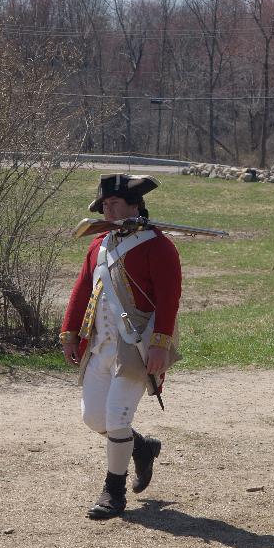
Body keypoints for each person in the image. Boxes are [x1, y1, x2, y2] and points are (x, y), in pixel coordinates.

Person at [60, 173, 182, 519]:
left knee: (116, 418)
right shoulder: (99, 245)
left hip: (136, 346)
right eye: (104, 205)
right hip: (101, 345)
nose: (107, 210)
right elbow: (81, 290)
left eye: (114, 203)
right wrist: (70, 334)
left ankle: (113, 492)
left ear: (134, 205)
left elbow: (169, 299)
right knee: (93, 417)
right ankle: (140, 447)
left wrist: (160, 345)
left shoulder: (158, 246)